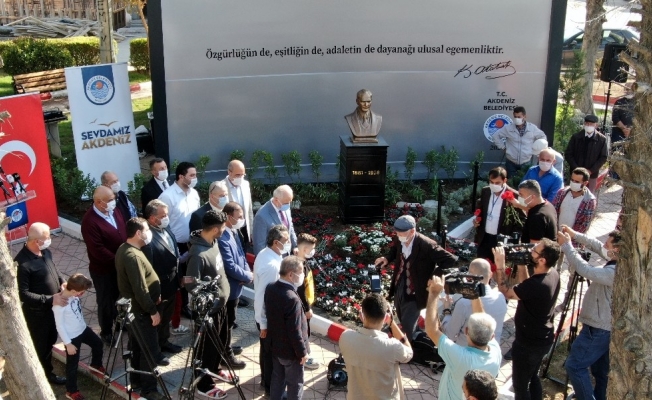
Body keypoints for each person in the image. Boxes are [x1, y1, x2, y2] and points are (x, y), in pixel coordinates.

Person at [493, 239, 561, 400]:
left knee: (520, 386)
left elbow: (506, 292)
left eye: (534, 251)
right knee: (532, 376)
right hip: (543, 339)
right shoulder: (552, 274)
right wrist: (522, 264)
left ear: (542, 260)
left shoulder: (537, 285)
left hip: (528, 345)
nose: (531, 250)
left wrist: (500, 265)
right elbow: (527, 286)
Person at [557, 227, 619, 400]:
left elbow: (586, 270)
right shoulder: (619, 259)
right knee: (600, 372)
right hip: (603, 327)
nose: (604, 246)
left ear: (617, 250)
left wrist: (567, 246)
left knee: (575, 366)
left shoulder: (614, 272)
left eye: (608, 244)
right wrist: (575, 235)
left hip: (597, 328)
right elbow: (597, 246)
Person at [375, 215, 457, 343]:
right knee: (401, 314)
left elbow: (450, 260)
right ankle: (412, 337)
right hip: (400, 285)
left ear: (412, 231)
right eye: (397, 233)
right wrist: (386, 258)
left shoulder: (426, 245)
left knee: (408, 325)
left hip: (416, 290)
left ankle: (408, 349)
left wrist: (434, 276)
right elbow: (395, 249)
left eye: (401, 233)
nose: (398, 236)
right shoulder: (399, 239)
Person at [425, 276, 502, 400]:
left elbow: (431, 331)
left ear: (466, 331)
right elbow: (482, 321)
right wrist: (474, 295)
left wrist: (433, 293)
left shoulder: (460, 357)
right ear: (491, 336)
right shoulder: (495, 351)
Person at [115, 218, 166, 400]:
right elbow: (140, 289)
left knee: (137, 347)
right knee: (149, 351)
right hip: (142, 312)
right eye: (146, 230)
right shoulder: (133, 256)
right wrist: (152, 311)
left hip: (136, 311)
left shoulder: (126, 249)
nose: (148, 233)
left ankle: (136, 380)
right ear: (138, 233)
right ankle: (149, 389)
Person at [186, 210, 233, 399]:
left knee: (219, 343)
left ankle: (214, 369)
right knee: (205, 349)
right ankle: (204, 385)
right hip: (208, 312)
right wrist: (211, 298)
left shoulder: (213, 242)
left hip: (221, 306)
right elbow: (190, 284)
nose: (225, 229)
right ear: (215, 229)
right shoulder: (198, 254)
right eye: (223, 227)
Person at [15, 222, 67, 385]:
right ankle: (44, 376)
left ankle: (46, 370)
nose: (50, 240)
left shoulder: (45, 252)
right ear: (37, 241)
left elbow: (54, 269)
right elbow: (23, 294)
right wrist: (50, 299)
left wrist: (62, 281)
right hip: (38, 315)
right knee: (41, 346)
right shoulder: (22, 264)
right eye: (47, 237)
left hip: (52, 311)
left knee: (50, 340)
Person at [339, 294, 413, 400]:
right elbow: (409, 353)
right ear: (385, 317)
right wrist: (392, 323)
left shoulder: (346, 337)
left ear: (362, 315)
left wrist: (366, 323)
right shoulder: (392, 347)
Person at [81, 185, 127, 345]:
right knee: (106, 301)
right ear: (99, 202)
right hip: (104, 270)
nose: (114, 202)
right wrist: (119, 260)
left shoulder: (115, 210)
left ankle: (121, 323)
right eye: (110, 200)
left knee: (121, 296)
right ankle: (106, 331)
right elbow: (98, 250)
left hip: (120, 266)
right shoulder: (89, 221)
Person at [159, 161, 201, 320]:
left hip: (193, 242)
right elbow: (162, 222)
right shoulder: (167, 196)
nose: (195, 178)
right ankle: (181, 306)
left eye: (195, 175)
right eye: (192, 175)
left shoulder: (194, 193)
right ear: (181, 177)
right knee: (179, 277)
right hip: (176, 245)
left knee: (192, 274)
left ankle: (189, 302)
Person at [53, 274, 105, 400]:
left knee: (98, 343)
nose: (82, 294)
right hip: (72, 338)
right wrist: (68, 344)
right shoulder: (59, 305)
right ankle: (71, 391)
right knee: (72, 364)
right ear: (73, 291)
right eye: (81, 292)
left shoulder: (71, 292)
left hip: (83, 329)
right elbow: (60, 326)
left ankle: (95, 365)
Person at [265, 256, 310, 400]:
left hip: (276, 346)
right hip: (291, 352)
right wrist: (302, 352)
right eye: (301, 272)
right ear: (291, 274)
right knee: (295, 384)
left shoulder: (271, 287)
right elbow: (294, 330)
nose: (302, 276)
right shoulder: (292, 298)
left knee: (277, 379)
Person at [143, 199, 184, 354]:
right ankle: (155, 350)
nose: (167, 218)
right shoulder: (147, 236)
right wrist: (155, 290)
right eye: (163, 215)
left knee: (166, 317)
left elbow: (175, 254)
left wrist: (179, 276)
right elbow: (149, 267)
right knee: (157, 320)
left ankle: (164, 341)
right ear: (152, 218)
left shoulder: (166, 228)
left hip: (172, 283)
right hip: (159, 287)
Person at [254, 225, 289, 395]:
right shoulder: (271, 267)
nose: (288, 243)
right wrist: (263, 323)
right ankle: (270, 388)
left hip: (267, 318)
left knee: (266, 351)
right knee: (270, 355)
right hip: (268, 319)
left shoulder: (268, 253)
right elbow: (262, 296)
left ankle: (266, 381)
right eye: (285, 241)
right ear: (276, 242)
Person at [217, 201, 252, 369]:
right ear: (229, 217)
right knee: (226, 323)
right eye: (239, 217)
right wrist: (247, 276)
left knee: (230, 322)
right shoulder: (222, 237)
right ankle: (225, 355)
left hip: (237, 285)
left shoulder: (233, 231)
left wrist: (247, 272)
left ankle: (227, 346)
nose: (242, 219)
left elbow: (241, 255)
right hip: (229, 288)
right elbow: (229, 266)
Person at [442, 259, 507, 346]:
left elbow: (450, 335)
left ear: (469, 277)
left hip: (466, 351)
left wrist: (447, 311)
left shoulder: (463, 303)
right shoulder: (501, 297)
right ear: (491, 274)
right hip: (492, 349)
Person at [473, 167, 523, 261]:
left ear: (505, 180)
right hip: (484, 237)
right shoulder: (486, 191)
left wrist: (513, 238)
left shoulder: (515, 196)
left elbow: (521, 220)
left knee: (497, 266)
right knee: (481, 264)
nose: (494, 185)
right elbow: (481, 209)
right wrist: (477, 220)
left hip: (501, 240)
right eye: (491, 182)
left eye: (497, 183)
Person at [491, 106, 547, 179]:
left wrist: (537, 149)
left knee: (526, 183)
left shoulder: (532, 128)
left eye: (519, 117)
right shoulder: (508, 128)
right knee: (511, 181)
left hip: (526, 161)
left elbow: (542, 137)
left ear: (524, 116)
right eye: (515, 117)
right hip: (511, 161)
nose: (517, 119)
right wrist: (503, 147)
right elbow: (495, 136)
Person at [564, 114, 608, 193]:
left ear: (596, 125)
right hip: (576, 174)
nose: (589, 126)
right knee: (573, 192)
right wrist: (577, 168)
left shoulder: (601, 139)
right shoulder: (576, 137)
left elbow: (603, 157)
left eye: (591, 124)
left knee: (589, 195)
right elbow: (568, 154)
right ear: (584, 124)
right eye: (587, 124)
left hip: (592, 174)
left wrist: (591, 170)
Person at [294, 233, 320, 369]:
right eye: (312, 249)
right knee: (303, 333)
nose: (313, 251)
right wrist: (307, 308)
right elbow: (300, 290)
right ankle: (304, 356)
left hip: (305, 305)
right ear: (304, 249)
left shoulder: (303, 261)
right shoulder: (299, 267)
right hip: (302, 307)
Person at [551, 168, 596, 240]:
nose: (573, 183)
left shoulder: (589, 201)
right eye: (572, 180)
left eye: (577, 182)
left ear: (585, 183)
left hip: (573, 240)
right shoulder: (562, 193)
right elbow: (553, 212)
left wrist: (569, 238)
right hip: (555, 235)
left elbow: (584, 225)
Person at [252, 185, 297, 254]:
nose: (288, 205)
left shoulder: (285, 207)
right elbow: (259, 245)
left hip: (287, 254)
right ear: (276, 200)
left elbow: (290, 228)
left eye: (290, 202)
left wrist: (295, 246)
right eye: (286, 203)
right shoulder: (261, 216)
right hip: (272, 257)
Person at [221, 160, 254, 247]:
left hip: (244, 228)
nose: (240, 177)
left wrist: (251, 231)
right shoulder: (221, 186)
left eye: (242, 175)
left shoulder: (245, 184)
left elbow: (249, 209)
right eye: (237, 175)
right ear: (229, 172)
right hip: (229, 229)